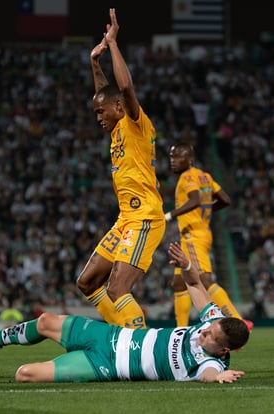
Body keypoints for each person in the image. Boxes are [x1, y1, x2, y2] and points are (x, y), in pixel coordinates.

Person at [0, 241, 249, 384]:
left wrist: (220, 378)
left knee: (24, 374)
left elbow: (209, 375)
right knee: (45, 321)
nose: (204, 332)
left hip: (108, 365)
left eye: (211, 336)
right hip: (110, 335)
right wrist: (187, 265)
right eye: (210, 327)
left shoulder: (209, 364)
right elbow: (195, 285)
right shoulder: (213, 322)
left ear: (224, 351)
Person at [75, 8, 165, 329]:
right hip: (125, 219)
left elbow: (123, 90)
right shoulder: (115, 128)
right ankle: (120, 334)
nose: (98, 118)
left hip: (145, 218)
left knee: (117, 288)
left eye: (101, 113)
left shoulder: (135, 123)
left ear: (116, 109)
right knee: (88, 282)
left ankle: (137, 346)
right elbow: (106, 94)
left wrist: (112, 43)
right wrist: (94, 63)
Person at [165, 142, 252, 330]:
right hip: (201, 233)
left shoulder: (187, 177)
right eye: (171, 157)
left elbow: (195, 199)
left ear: (189, 160)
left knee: (204, 280)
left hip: (192, 236)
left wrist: (170, 215)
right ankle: (180, 330)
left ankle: (238, 321)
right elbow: (225, 200)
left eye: (178, 157)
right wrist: (208, 209)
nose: (173, 161)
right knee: (179, 283)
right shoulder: (205, 176)